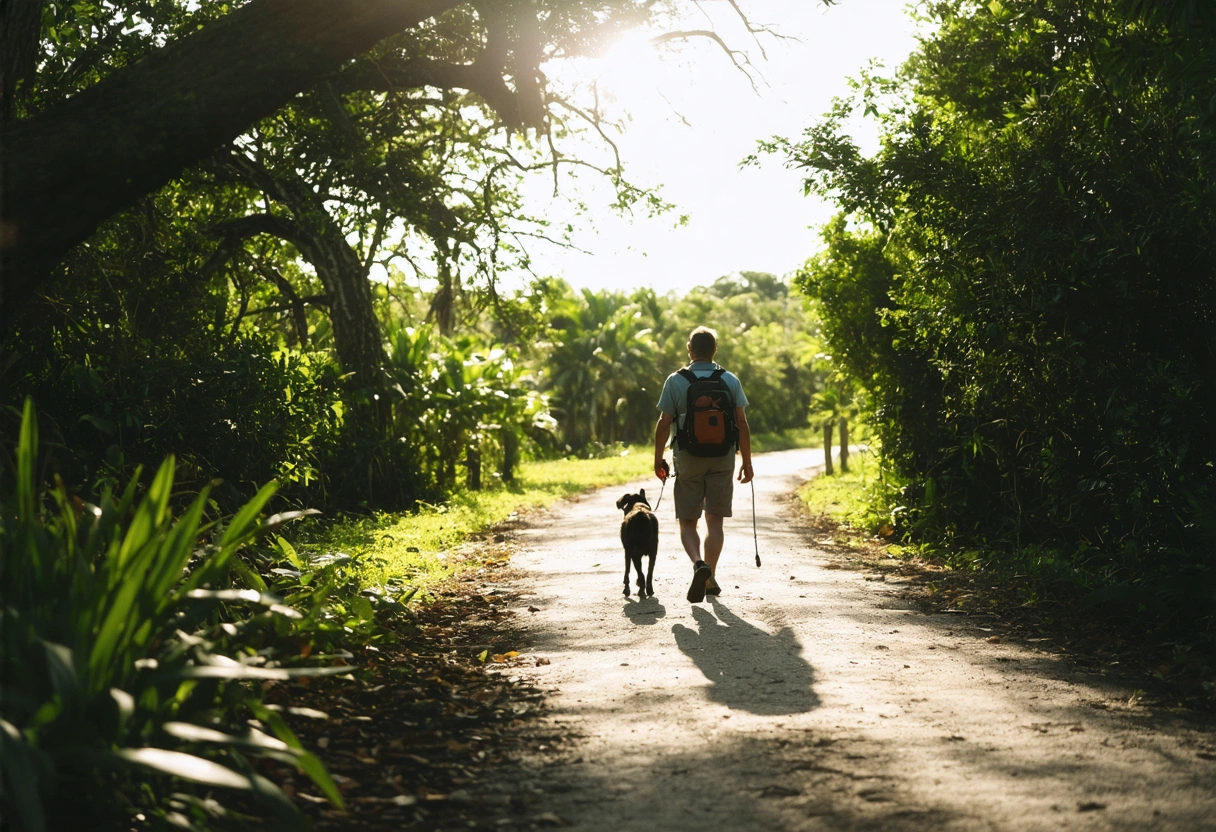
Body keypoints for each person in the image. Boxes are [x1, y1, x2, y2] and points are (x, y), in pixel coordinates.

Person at [653, 326, 753, 603]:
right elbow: (742, 424)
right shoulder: (730, 380)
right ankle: (710, 578)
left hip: (688, 457)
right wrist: (747, 461)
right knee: (715, 521)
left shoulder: (675, 380)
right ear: (715, 350)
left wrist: (657, 458)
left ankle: (699, 564)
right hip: (723, 457)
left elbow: (664, 424)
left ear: (689, 349)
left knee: (688, 521)